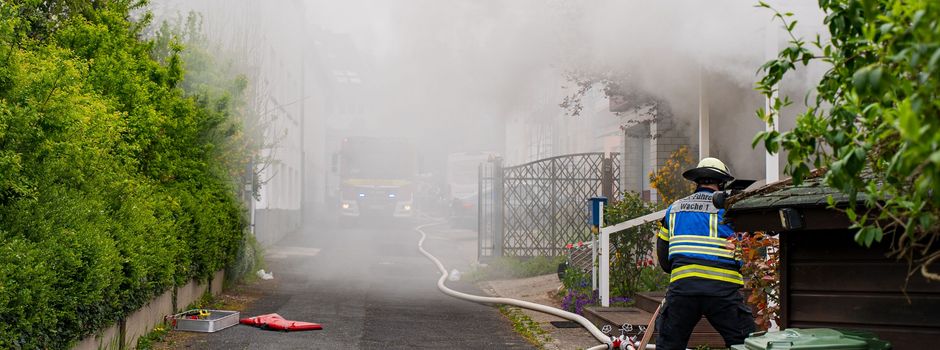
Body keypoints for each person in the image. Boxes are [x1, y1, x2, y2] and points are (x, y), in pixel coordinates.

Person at [654, 157, 756, 350]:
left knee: (669, 344)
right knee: (744, 343)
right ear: (722, 183)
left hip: (683, 290)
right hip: (723, 292)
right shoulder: (729, 209)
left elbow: (664, 258)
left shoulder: (674, 209)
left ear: (697, 182)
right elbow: (747, 254)